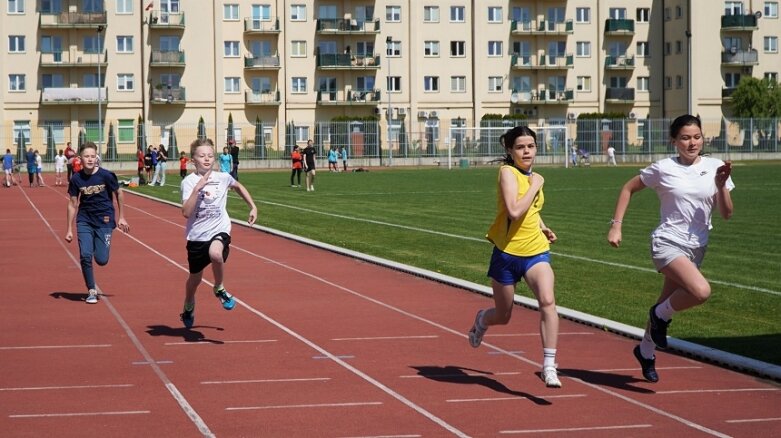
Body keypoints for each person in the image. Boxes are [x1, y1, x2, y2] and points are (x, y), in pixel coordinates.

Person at [607, 114, 734, 383]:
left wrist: (721, 186)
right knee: (700, 292)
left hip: (697, 247)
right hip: (667, 242)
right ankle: (658, 317)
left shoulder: (715, 166)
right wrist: (616, 225)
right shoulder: (663, 168)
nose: (692, 143)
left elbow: (727, 214)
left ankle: (646, 351)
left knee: (666, 302)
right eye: (685, 138)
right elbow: (628, 188)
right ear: (674, 141)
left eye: (697, 137)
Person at [467, 126, 562, 388]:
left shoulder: (532, 177)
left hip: (536, 251)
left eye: (530, 146)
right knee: (503, 315)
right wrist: (535, 184)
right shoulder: (507, 173)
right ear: (510, 150)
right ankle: (482, 320)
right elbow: (514, 210)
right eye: (520, 147)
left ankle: (549, 365)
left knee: (548, 301)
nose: (527, 151)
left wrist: (543, 226)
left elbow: (531, 210)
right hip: (507, 254)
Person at [179, 138, 257, 328]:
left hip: (219, 229)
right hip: (197, 237)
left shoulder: (223, 177)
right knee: (195, 280)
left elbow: (238, 186)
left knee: (216, 254)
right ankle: (189, 305)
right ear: (193, 160)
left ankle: (219, 287)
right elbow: (186, 213)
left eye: (210, 156)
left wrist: (253, 207)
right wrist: (198, 189)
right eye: (201, 156)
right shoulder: (189, 182)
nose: (206, 159)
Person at [65, 142, 130, 304]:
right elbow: (73, 204)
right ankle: (91, 290)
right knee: (86, 256)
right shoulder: (76, 179)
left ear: (97, 157)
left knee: (101, 259)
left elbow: (119, 194)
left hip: (104, 220)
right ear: (80, 159)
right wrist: (69, 229)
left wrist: (122, 216)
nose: (90, 159)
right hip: (84, 220)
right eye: (86, 156)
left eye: (93, 156)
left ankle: (97, 243)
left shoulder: (106, 176)